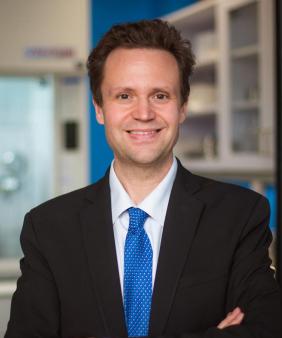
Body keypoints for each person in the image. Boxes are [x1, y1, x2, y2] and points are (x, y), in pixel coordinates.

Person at [5, 19, 281, 338]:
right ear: (99, 108)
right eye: (124, 96)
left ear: (182, 108)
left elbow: (266, 328)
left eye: (160, 95)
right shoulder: (48, 228)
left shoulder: (240, 216)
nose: (144, 113)